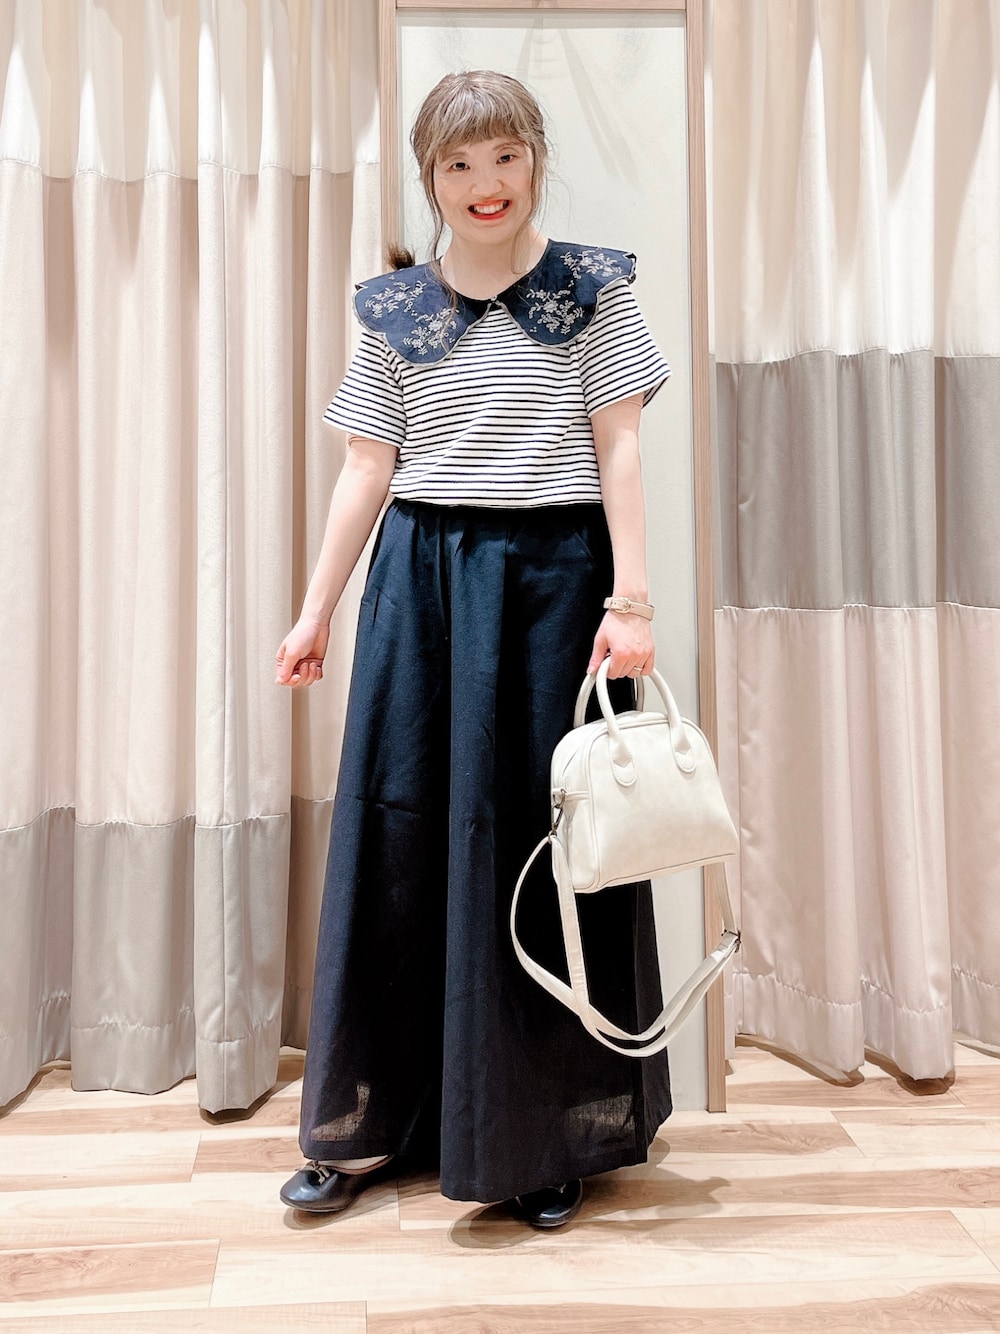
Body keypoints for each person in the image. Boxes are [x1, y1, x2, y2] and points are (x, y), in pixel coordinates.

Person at [274, 70, 672, 1229]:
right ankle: (370, 1123)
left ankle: (543, 1135)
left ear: (534, 159)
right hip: (422, 585)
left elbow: (619, 447)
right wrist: (314, 610)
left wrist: (633, 600)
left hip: (553, 587)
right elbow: (368, 467)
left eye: (503, 157)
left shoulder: (593, 290)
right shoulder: (395, 309)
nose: (483, 184)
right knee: (397, 842)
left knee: (547, 853)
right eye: (457, 164)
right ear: (430, 175)